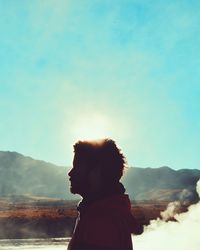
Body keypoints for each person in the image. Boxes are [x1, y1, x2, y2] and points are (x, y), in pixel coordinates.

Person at [67, 138, 143, 250]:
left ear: (96, 172)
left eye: (77, 166)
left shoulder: (101, 224)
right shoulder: (101, 212)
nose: (70, 173)